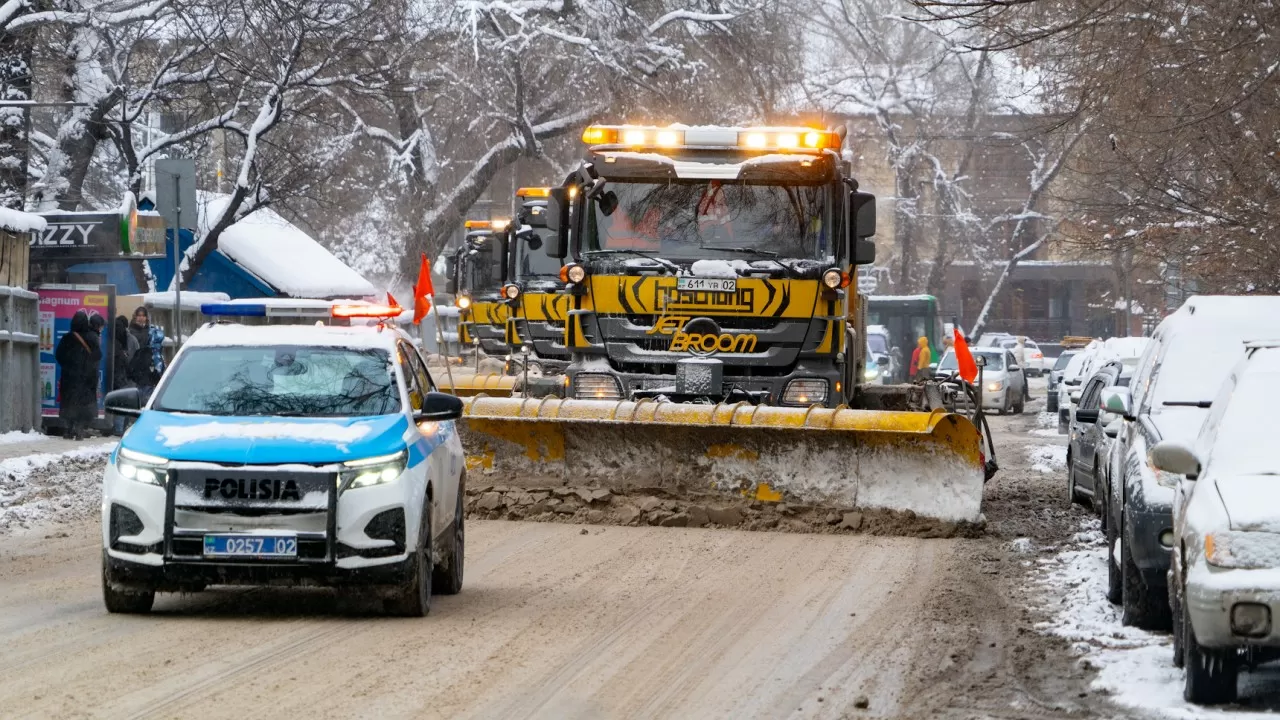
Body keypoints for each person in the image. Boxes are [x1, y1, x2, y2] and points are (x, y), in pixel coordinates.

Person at [55, 310, 102, 440]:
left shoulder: (67, 338)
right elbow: (98, 355)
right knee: (83, 403)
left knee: (69, 402)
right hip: (86, 378)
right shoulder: (92, 337)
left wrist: (68, 366)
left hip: (69, 378)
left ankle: (68, 429)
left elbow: (59, 355)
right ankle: (79, 428)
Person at [127, 306, 165, 399]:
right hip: (134, 368)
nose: (141, 318)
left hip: (148, 370)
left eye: (143, 316)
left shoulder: (151, 331)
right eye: (139, 315)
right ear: (135, 317)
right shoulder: (130, 331)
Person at [111, 315, 139, 436]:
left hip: (118, 376)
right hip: (127, 376)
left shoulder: (112, 339)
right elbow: (136, 356)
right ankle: (120, 428)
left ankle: (118, 428)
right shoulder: (130, 339)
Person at [1014, 336, 1032, 400]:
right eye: (1024, 340)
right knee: (1023, 383)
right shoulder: (1019, 348)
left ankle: (1026, 396)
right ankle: (1026, 397)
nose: (1025, 342)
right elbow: (1018, 359)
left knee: (1024, 382)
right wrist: (1021, 367)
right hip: (1020, 368)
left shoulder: (1020, 347)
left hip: (1020, 367)